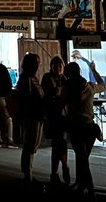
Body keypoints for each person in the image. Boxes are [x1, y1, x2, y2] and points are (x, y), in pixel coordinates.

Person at [63, 62, 103, 196]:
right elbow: (102, 85)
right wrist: (94, 70)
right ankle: (81, 184)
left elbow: (60, 104)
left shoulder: (68, 88)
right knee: (83, 157)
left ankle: (89, 186)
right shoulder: (90, 86)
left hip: (75, 127)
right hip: (90, 127)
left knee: (81, 157)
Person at [14, 52, 44, 186]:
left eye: (38, 62)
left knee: (33, 145)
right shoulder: (26, 79)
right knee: (30, 145)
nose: (38, 65)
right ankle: (27, 175)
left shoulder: (33, 78)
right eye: (35, 63)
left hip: (37, 115)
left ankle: (29, 174)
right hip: (31, 116)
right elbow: (25, 99)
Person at [41, 56, 70, 186]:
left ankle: (59, 170)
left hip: (63, 116)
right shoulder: (47, 78)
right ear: (51, 66)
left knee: (60, 143)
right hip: (53, 116)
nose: (58, 68)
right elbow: (48, 94)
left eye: (60, 66)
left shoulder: (64, 79)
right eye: (56, 66)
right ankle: (61, 168)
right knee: (58, 143)